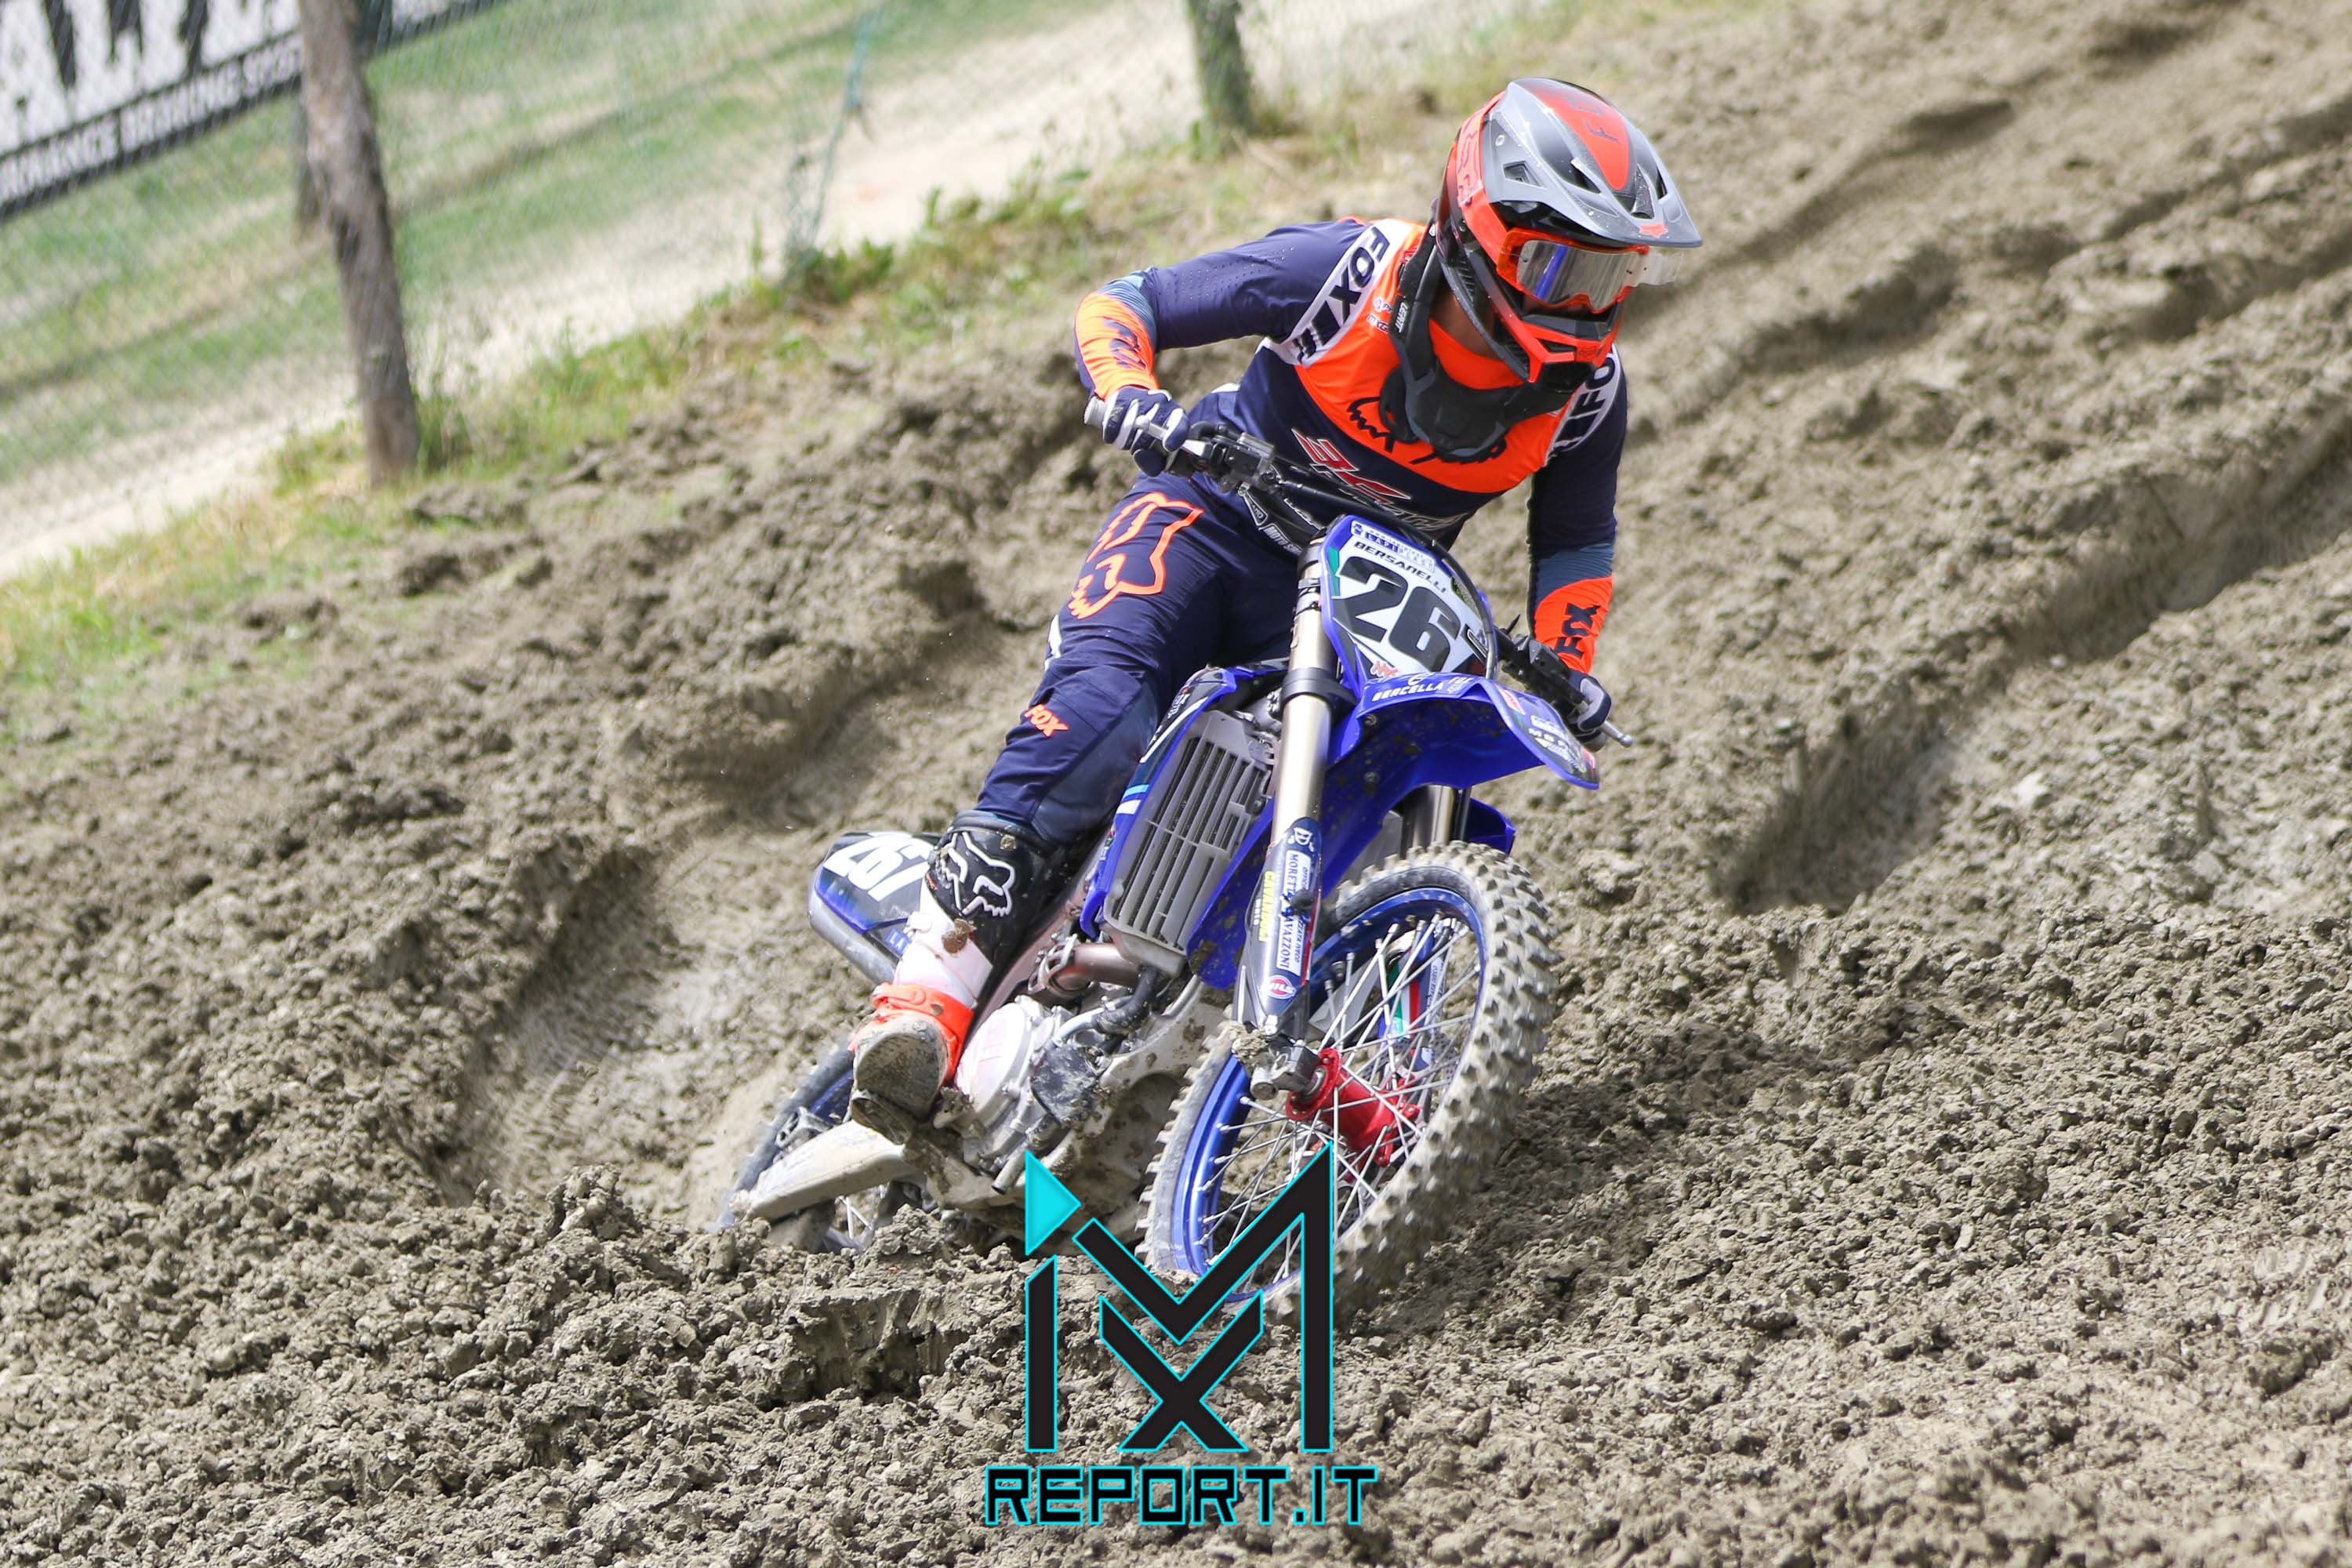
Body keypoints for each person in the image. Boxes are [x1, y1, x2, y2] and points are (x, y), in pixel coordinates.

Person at [848, 78, 1701, 1121]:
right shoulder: (1348, 273)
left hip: (1356, 593)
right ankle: (920, 1009)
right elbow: (1128, 303)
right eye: (1561, 267)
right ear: (1482, 232)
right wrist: (1133, 399)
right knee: (1100, 714)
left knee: (1401, 775)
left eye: (1613, 274)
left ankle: (1330, 1064)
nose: (1586, 302)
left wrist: (1565, 663)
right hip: (1211, 526)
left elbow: (1576, 541)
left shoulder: (1589, 396)